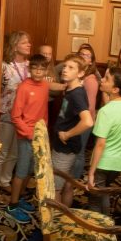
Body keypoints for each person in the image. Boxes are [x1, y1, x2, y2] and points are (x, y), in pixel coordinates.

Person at [6, 54, 52, 220]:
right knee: (21, 170)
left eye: (42, 68)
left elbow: (44, 110)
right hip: (25, 136)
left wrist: (43, 130)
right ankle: (12, 205)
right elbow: (16, 116)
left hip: (39, 135)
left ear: (46, 70)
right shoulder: (24, 87)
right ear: (30, 69)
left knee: (30, 169)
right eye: (35, 68)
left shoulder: (46, 86)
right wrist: (29, 133)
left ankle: (20, 197)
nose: (38, 71)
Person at [87, 68, 121, 216]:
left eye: (107, 79)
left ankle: (98, 231)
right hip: (120, 163)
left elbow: (100, 144)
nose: (102, 80)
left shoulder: (105, 111)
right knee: (104, 192)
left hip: (103, 163)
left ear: (115, 89)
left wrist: (91, 172)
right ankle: (107, 227)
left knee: (95, 200)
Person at [0, 31, 31, 202]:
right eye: (24, 43)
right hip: (6, 113)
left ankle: (5, 180)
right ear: (15, 46)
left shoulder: (31, 66)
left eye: (29, 42)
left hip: (25, 116)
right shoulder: (4, 67)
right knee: (2, 151)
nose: (29, 45)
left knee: (15, 152)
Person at [52, 55, 93, 206]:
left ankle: (55, 224)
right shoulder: (71, 89)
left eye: (71, 68)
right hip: (70, 146)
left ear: (80, 73)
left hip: (65, 148)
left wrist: (67, 134)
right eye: (64, 66)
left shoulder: (76, 94)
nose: (65, 70)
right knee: (68, 184)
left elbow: (88, 121)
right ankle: (65, 217)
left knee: (54, 188)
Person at [74, 43, 101, 178]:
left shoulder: (90, 79)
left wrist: (81, 123)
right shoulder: (78, 75)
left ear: (91, 61)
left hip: (84, 121)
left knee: (79, 152)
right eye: (81, 54)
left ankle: (75, 180)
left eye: (87, 55)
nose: (84, 57)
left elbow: (90, 106)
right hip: (75, 118)